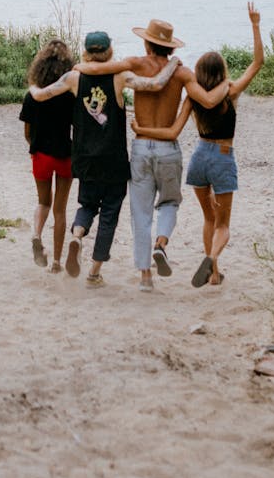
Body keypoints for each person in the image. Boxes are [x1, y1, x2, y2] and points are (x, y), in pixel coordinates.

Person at [77, 19, 230, 292]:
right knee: (169, 203)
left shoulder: (135, 63)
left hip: (140, 146)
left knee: (141, 212)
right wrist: (228, 84)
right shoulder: (182, 74)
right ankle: (161, 243)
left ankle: (145, 278)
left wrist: (79, 66)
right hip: (168, 149)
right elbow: (207, 101)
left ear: (147, 43)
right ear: (169, 48)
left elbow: (97, 68)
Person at [29, 31, 180, 288]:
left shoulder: (74, 77)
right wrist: (174, 64)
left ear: (86, 53)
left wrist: (32, 85)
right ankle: (94, 271)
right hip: (114, 159)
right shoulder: (120, 77)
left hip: (85, 158)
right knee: (109, 215)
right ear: (110, 51)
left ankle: (77, 235)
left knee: (87, 206)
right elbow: (155, 84)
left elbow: (42, 95)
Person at [132, 3, 264, 287]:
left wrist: (141, 129)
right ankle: (212, 259)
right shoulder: (229, 91)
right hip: (223, 157)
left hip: (199, 158)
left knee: (209, 218)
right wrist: (255, 25)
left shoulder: (192, 96)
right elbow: (257, 64)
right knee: (223, 224)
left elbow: (174, 130)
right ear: (222, 71)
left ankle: (214, 274)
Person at [19, 39, 76, 273]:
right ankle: (56, 263)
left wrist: (36, 146)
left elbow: (27, 133)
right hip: (64, 154)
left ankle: (36, 235)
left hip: (40, 154)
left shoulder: (32, 96)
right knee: (60, 210)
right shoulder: (70, 95)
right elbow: (78, 127)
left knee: (43, 202)